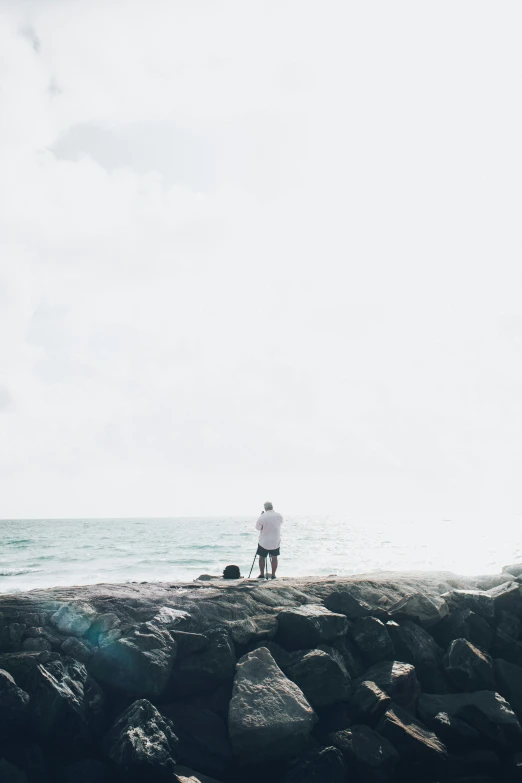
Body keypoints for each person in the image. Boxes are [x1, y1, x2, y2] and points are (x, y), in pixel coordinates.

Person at [255, 501, 283, 579]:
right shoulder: (279, 515)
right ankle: (273, 575)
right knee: (274, 558)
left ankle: (262, 574)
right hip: (275, 540)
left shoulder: (263, 516)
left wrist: (261, 516)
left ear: (265, 508)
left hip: (264, 541)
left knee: (261, 558)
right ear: (272, 507)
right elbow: (280, 523)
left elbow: (258, 528)